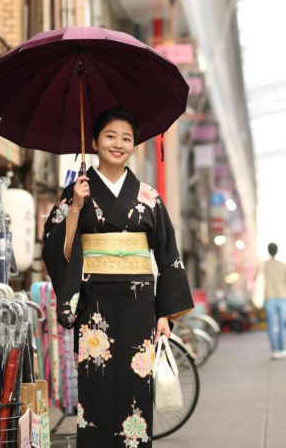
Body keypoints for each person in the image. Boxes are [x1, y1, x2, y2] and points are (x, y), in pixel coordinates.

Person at [43, 108, 193, 448]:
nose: (118, 143)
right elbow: (57, 252)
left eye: (127, 138)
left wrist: (165, 314)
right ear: (94, 142)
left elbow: (168, 254)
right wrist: (77, 210)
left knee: (135, 388)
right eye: (110, 136)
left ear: (134, 146)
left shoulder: (148, 196)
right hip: (94, 305)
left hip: (139, 308)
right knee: (94, 391)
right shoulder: (76, 193)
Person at [264, 242, 286, 359]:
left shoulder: (264, 265)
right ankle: (282, 348)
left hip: (269, 297)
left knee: (271, 325)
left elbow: (257, 279)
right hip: (282, 297)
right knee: (281, 325)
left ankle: (275, 350)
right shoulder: (284, 266)